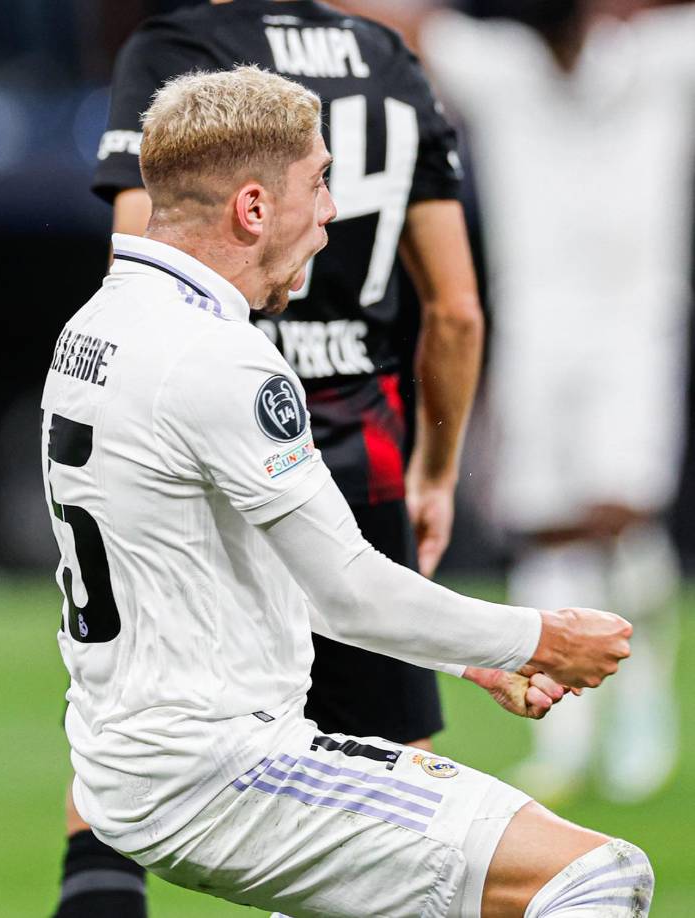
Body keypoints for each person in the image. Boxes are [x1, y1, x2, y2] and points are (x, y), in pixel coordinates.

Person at [42, 64, 652, 918]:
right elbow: (349, 588)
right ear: (253, 209)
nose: (331, 213)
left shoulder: (96, 326)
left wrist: (468, 655)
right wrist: (537, 638)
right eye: (320, 182)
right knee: (594, 875)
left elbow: (265, 567)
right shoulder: (221, 360)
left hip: (128, 760)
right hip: (224, 772)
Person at [55, 2, 485, 913]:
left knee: (130, 749)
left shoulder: (180, 48)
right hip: (359, 445)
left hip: (204, 430)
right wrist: (435, 472)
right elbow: (454, 310)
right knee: (398, 783)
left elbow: (146, 264)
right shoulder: (387, 56)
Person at [418, 0, 695, 805]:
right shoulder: (499, 62)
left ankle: (642, 701)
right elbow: (402, 25)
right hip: (538, 325)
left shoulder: (663, 54)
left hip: (639, 320)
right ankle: (562, 730)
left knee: (621, 511)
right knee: (544, 520)